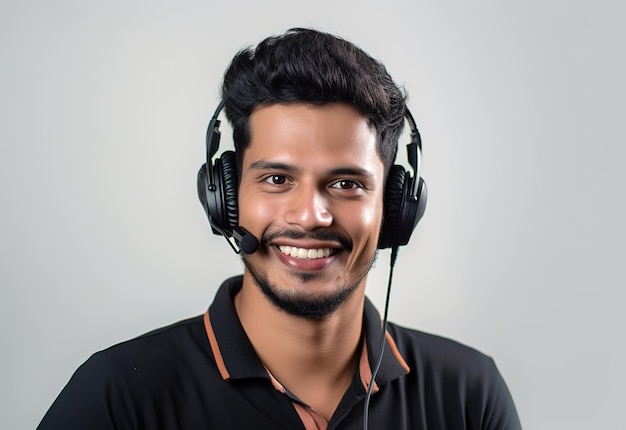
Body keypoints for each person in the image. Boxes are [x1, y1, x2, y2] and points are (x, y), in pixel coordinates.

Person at [37, 28, 521, 430]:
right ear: (225, 198)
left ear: (395, 207)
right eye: (277, 179)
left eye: (347, 183)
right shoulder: (118, 396)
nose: (310, 215)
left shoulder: (468, 396)